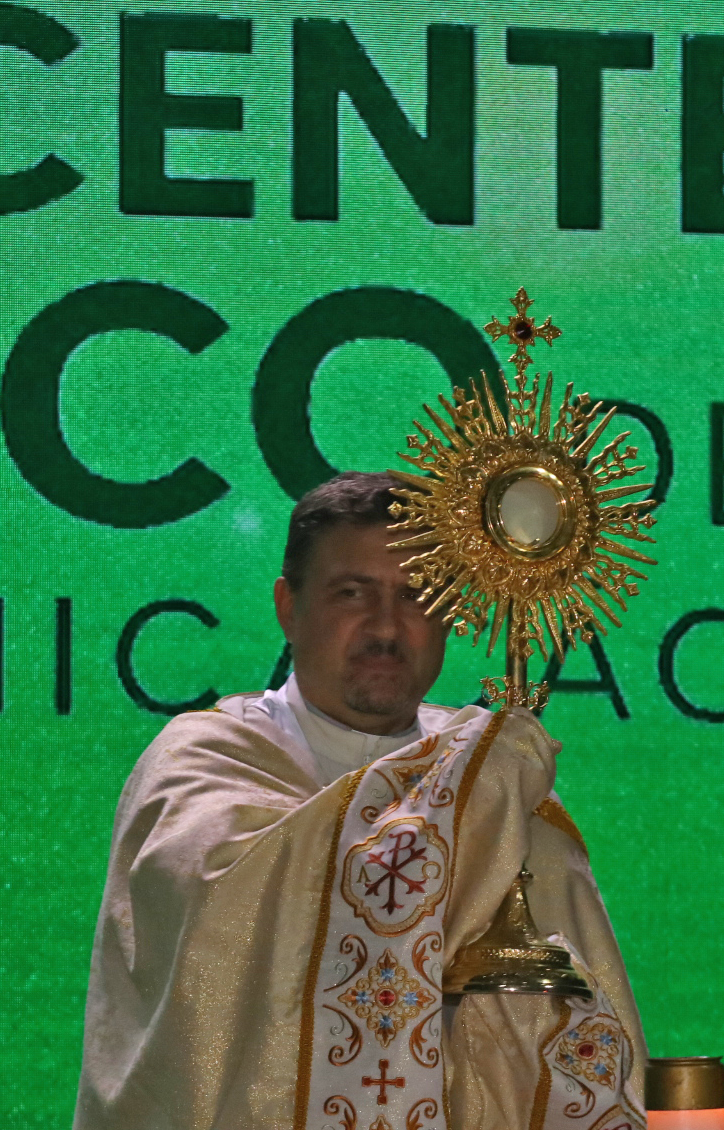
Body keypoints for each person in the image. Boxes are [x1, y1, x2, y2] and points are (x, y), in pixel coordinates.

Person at [74, 472, 646, 1130]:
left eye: (417, 594)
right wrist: (469, 796)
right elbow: (232, 929)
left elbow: (581, 1034)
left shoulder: (497, 785)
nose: (385, 626)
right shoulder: (201, 763)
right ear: (288, 607)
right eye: (352, 593)